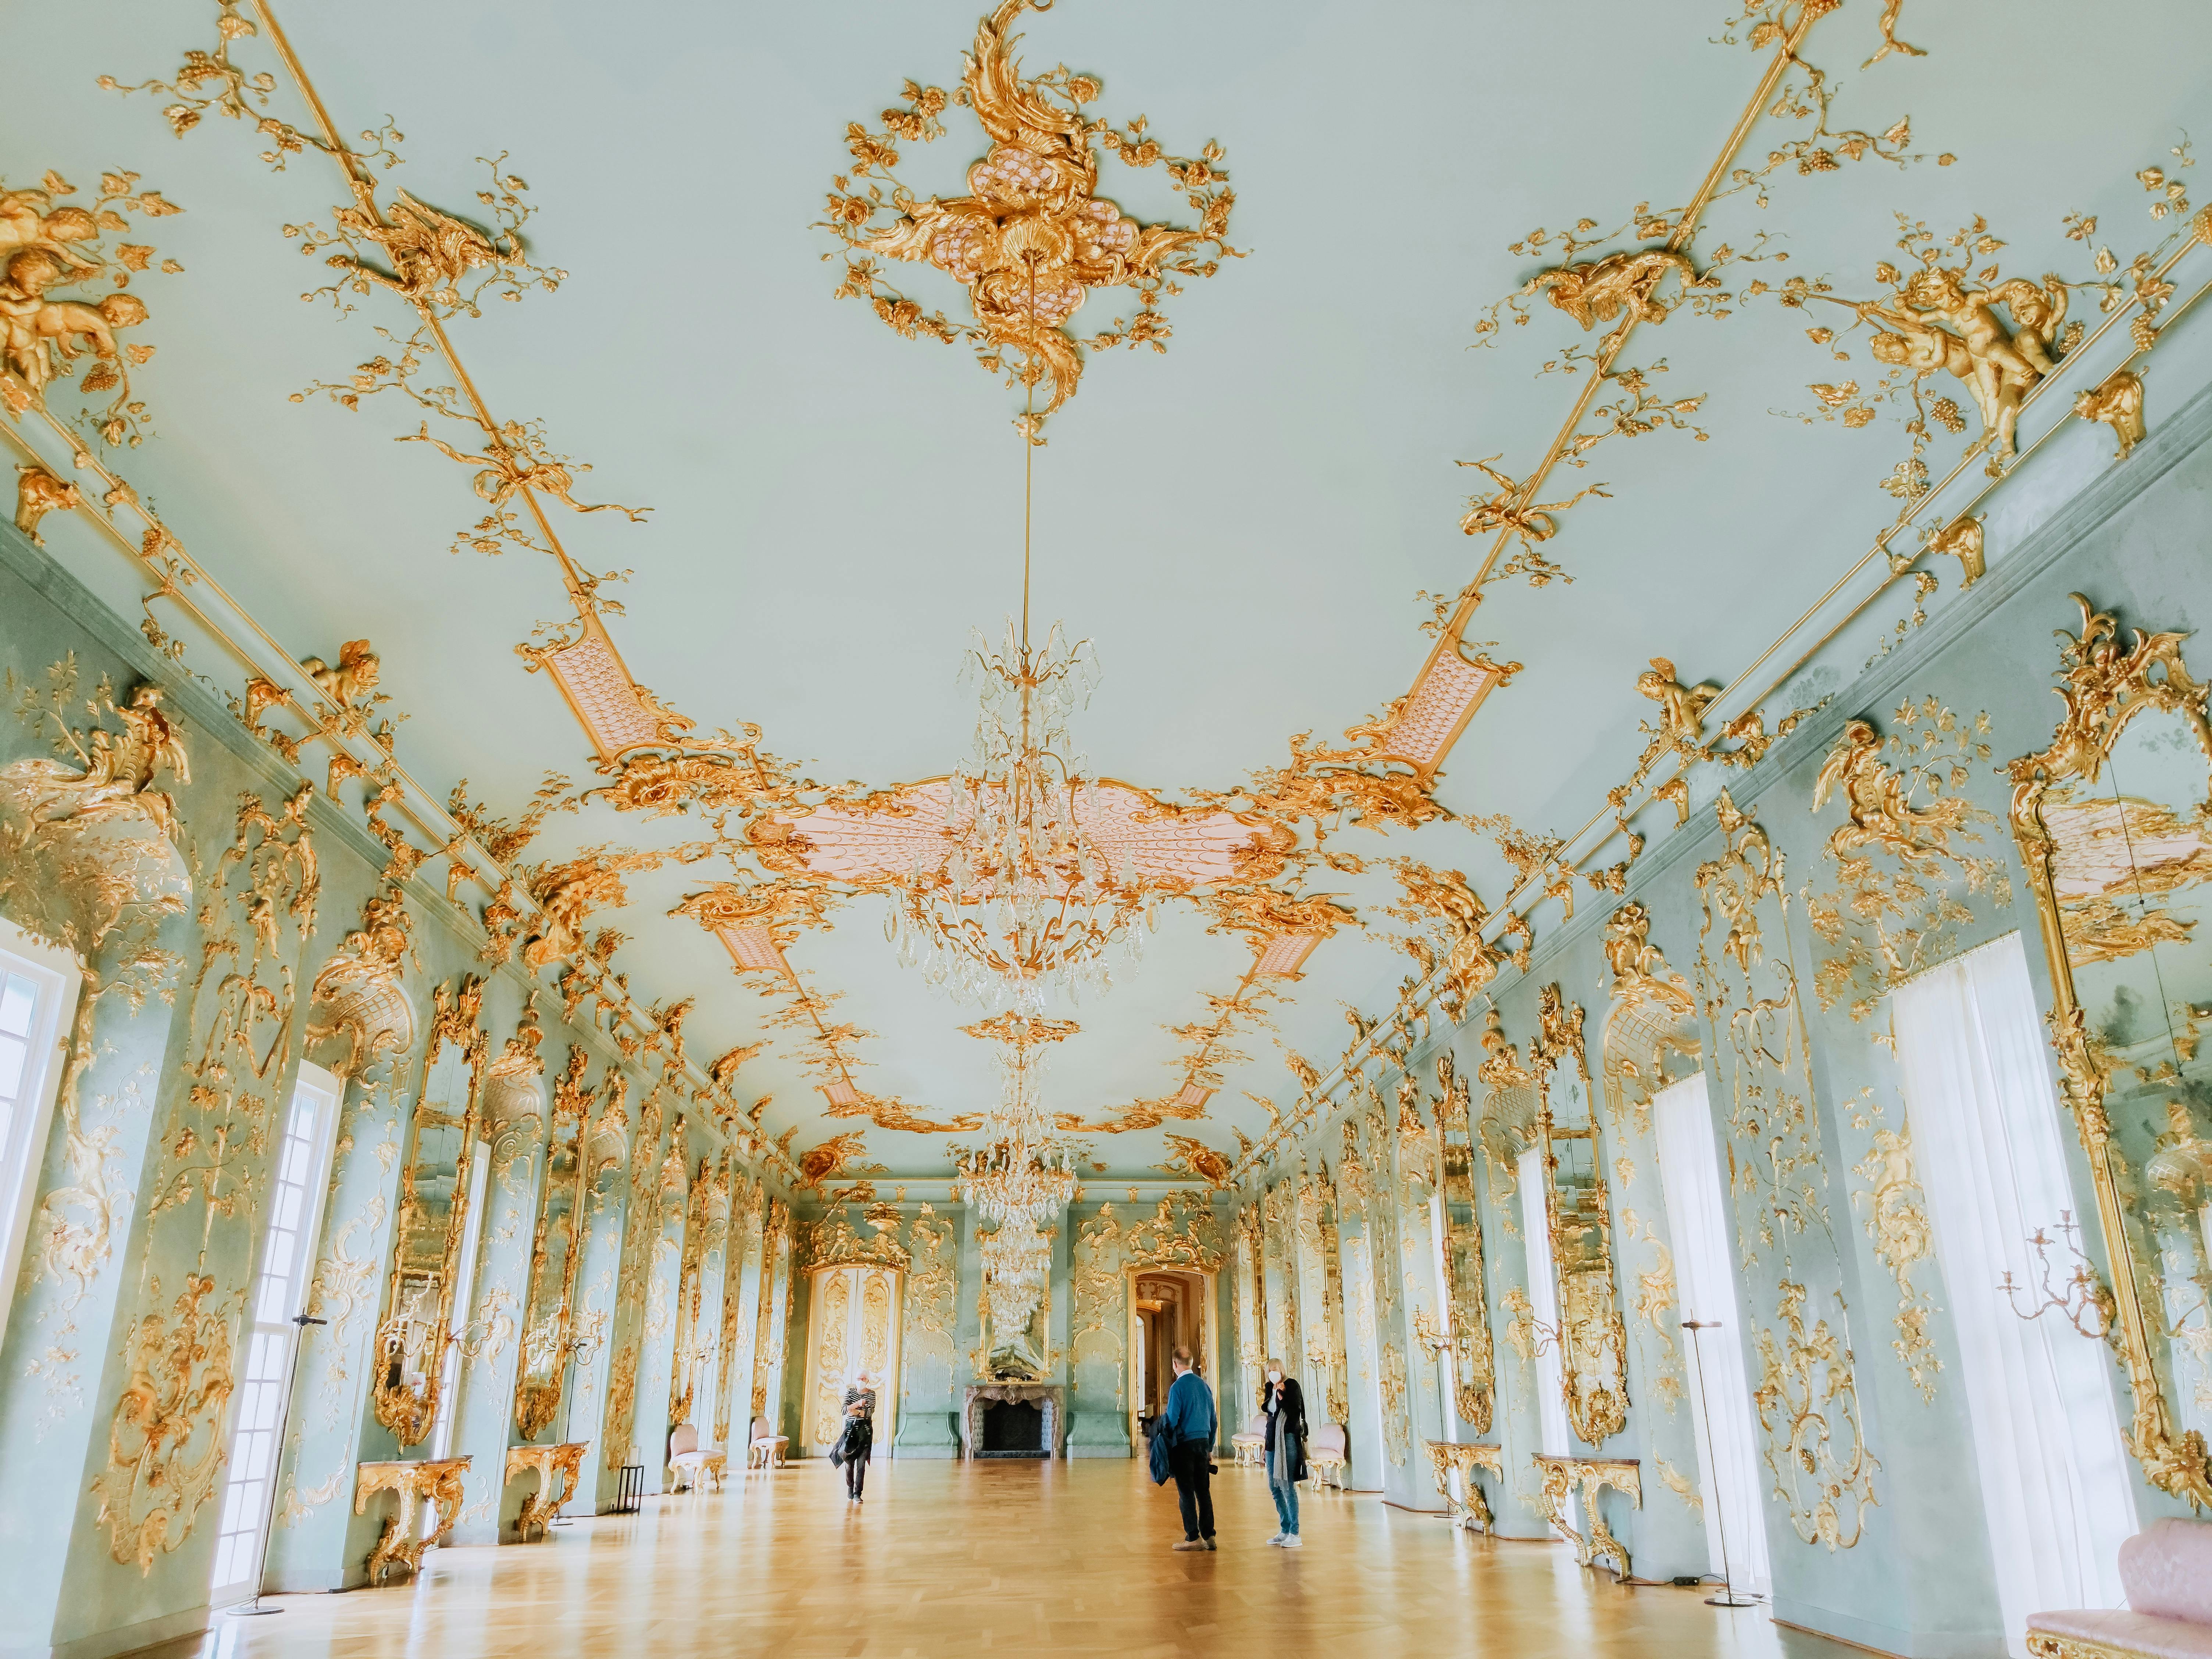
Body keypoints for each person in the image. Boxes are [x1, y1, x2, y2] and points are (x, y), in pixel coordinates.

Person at [1159, 1346, 1217, 1552]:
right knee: (1203, 1492)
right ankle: (1209, 1535)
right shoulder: (1204, 1386)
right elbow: (1213, 1420)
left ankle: (1193, 1538)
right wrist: (1209, 1446)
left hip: (1184, 1447)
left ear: (1175, 1364)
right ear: (1191, 1363)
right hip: (1203, 1444)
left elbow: (1172, 1419)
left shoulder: (1178, 1388)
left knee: (1186, 1493)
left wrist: (1163, 1439)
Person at [1261, 1359, 1308, 1548]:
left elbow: (1295, 1411)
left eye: (1276, 1369)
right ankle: (1285, 1529)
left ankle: (1295, 1533)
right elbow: (1270, 1417)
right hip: (1273, 1440)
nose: (1273, 1372)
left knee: (1287, 1485)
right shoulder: (1268, 1388)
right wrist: (1265, 1445)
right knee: (1274, 1487)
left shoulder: (1291, 1385)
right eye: (1270, 1370)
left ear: (1281, 1369)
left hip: (1288, 1439)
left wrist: (1282, 1395)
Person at [834, 1371, 877, 1503]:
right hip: (851, 1432)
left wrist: (855, 1410)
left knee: (861, 1465)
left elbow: (870, 1412)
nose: (860, 1380)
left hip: (865, 1432)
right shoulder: (850, 1392)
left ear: (868, 1380)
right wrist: (859, 1404)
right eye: (858, 1378)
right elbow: (844, 1410)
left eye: (863, 1378)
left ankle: (858, 1493)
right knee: (849, 1463)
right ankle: (850, 1488)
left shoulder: (872, 1394)